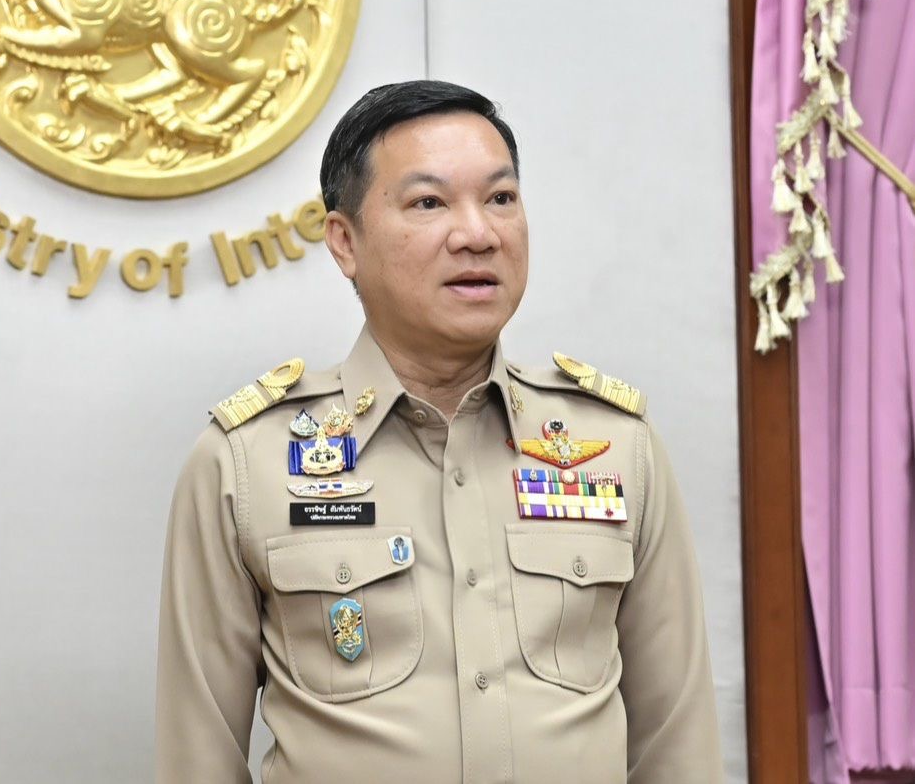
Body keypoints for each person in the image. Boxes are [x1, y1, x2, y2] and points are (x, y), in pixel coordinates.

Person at [156, 80, 723, 783]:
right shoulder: (247, 462)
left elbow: (677, 743)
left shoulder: (615, 447)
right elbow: (198, 757)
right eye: (429, 203)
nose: (478, 233)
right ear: (345, 242)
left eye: (501, 198)